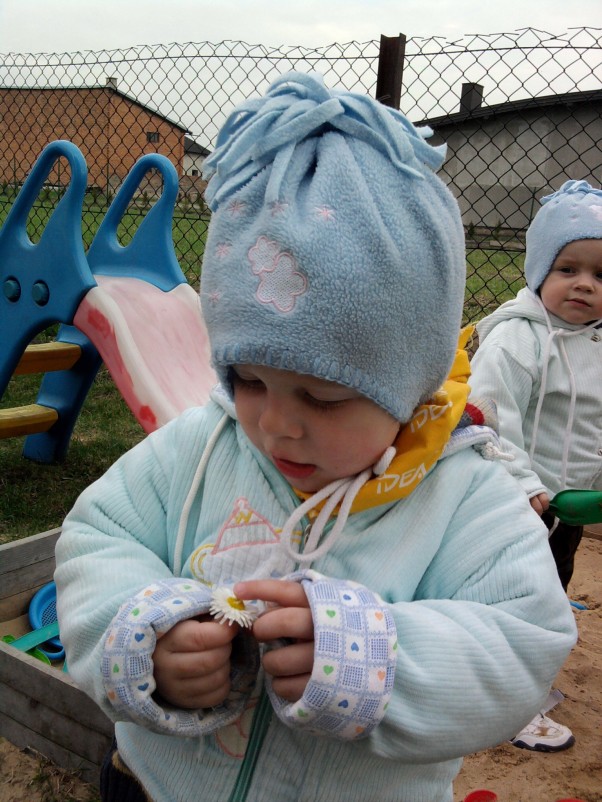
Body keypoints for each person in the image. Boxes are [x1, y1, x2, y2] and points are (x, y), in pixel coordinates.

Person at [54, 72, 576, 802]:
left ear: (411, 386)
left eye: (325, 397)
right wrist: (144, 636)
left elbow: (525, 643)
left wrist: (376, 663)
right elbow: (97, 539)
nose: (275, 422)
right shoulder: (203, 447)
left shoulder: (464, 497)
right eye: (249, 379)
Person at [469, 179, 602, 753]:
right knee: (524, 599)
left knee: (554, 591)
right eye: (569, 268)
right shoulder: (516, 341)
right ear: (539, 268)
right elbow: (491, 418)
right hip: (520, 500)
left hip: (570, 502)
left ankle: (529, 677)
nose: (586, 285)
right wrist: (522, 483)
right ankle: (514, 702)